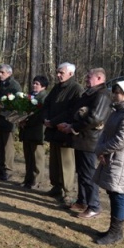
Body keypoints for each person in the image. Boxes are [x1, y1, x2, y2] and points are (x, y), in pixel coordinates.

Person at [57, 68, 112, 217]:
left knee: (88, 174)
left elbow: (95, 118)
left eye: (89, 77)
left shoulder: (102, 95)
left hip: (91, 141)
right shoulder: (90, 93)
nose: (86, 79)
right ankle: (82, 201)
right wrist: (69, 124)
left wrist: (73, 127)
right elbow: (78, 112)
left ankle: (94, 206)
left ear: (99, 78)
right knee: (81, 173)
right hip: (82, 139)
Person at [94, 80, 124, 245]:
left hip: (122, 160)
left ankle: (116, 232)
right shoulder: (118, 111)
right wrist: (100, 149)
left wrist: (102, 149)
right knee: (113, 192)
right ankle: (112, 230)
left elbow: (122, 139)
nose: (114, 95)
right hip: (111, 157)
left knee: (118, 195)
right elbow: (105, 133)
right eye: (114, 91)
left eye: (118, 92)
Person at [43, 62, 84, 206]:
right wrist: (46, 119)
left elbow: (73, 110)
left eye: (61, 72)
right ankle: (56, 186)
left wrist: (54, 121)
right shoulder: (56, 87)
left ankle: (68, 192)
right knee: (54, 161)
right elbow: (47, 103)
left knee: (66, 163)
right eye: (58, 72)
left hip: (64, 130)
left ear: (70, 74)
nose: (58, 75)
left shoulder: (76, 89)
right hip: (53, 129)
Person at [18, 75, 49, 189]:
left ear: (43, 86)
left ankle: (37, 181)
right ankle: (28, 179)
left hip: (37, 130)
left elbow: (41, 115)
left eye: (37, 84)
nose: (34, 85)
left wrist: (27, 121)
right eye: (33, 83)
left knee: (37, 157)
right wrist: (20, 119)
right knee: (28, 157)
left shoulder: (45, 97)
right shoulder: (29, 95)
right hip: (26, 130)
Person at [0, 64, 22, 181]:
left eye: (3, 72)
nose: (0, 74)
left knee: (8, 146)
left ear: (9, 73)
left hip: (8, 119)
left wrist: (1, 107)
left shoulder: (14, 85)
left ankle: (8, 169)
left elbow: (17, 103)